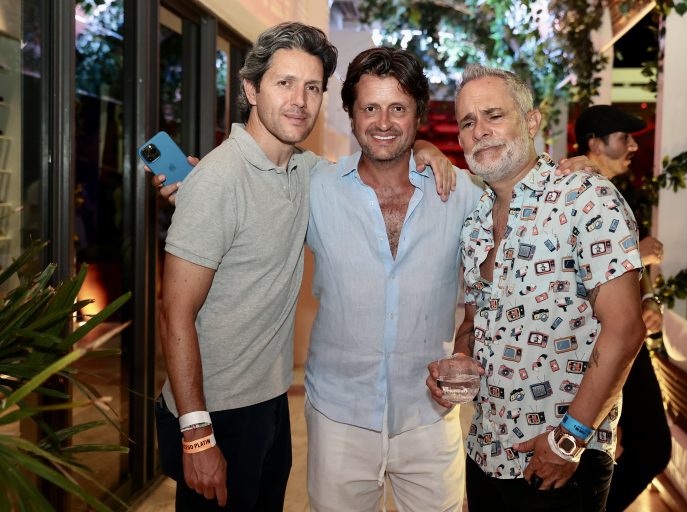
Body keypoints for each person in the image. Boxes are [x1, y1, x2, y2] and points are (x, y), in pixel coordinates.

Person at [151, 24, 458, 511]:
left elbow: (382, 154)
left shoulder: (305, 172)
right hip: (216, 410)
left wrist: (424, 148)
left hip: (270, 401)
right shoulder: (218, 179)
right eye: (284, 83)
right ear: (251, 89)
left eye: (312, 87)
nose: (299, 100)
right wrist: (196, 433)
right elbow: (174, 313)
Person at [427, 65, 647, 511]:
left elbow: (626, 329)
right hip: (485, 451)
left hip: (560, 460)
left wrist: (569, 440)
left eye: (494, 115)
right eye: (468, 122)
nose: (480, 131)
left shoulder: (586, 197)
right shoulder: (475, 223)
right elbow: (473, 323)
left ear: (531, 122)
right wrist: (460, 365)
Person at [303, 47, 486, 512]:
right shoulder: (315, 189)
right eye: (370, 108)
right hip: (338, 417)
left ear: (418, 115)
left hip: (430, 415)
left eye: (398, 108)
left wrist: (573, 173)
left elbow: (520, 205)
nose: (383, 122)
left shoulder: (461, 193)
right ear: (350, 114)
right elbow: (250, 207)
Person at [574, 104, 672, 511]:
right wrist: (636, 254)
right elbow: (564, 266)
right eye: (624, 137)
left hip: (626, 337)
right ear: (595, 143)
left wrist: (649, 299)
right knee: (646, 447)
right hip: (594, 341)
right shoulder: (573, 189)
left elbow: (636, 269)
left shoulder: (620, 194)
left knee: (646, 446)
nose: (633, 145)